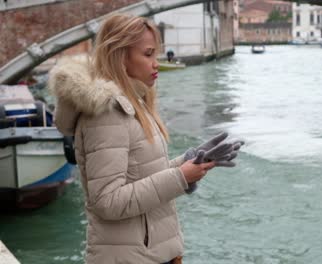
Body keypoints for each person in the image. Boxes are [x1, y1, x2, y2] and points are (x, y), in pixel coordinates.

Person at [48, 14, 242, 264]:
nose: (156, 63)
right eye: (148, 54)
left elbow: (142, 175)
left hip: (150, 255)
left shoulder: (133, 105)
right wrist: (180, 177)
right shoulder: (106, 114)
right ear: (120, 57)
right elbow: (107, 201)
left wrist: (191, 161)